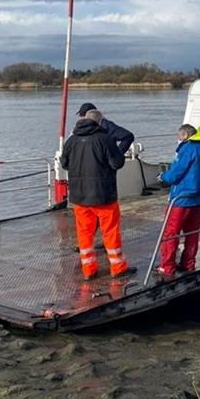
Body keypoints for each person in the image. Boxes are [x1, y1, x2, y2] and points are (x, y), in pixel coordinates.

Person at [61, 109, 134, 280]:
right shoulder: (105, 139)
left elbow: (64, 164)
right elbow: (117, 163)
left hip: (79, 196)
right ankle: (117, 267)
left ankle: (89, 270)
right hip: (104, 195)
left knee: (84, 233)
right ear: (99, 122)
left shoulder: (71, 141)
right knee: (110, 232)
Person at [155, 124, 200, 278]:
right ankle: (188, 263)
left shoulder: (187, 149)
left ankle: (167, 267)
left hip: (182, 199)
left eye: (179, 137)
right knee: (192, 233)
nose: (178, 140)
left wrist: (163, 177)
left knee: (171, 233)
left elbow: (175, 174)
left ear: (185, 136)